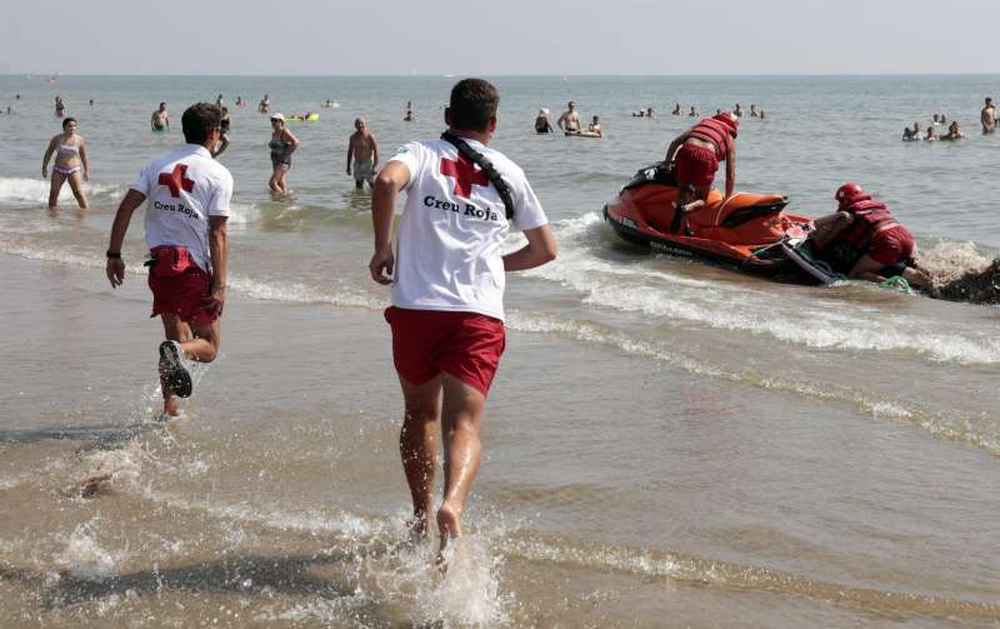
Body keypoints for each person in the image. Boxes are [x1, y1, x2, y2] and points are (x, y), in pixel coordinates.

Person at [368, 78, 557, 564]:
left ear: (447, 116)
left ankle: (419, 517)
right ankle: (453, 505)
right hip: (478, 313)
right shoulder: (510, 172)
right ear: (493, 123)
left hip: (416, 308)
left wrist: (383, 247)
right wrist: (496, 265)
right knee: (465, 424)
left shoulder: (423, 151)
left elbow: (386, 180)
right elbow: (545, 250)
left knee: (419, 414)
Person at [105, 102, 232, 419]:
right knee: (208, 347)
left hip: (160, 265)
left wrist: (114, 255)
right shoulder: (218, 174)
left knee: (172, 339)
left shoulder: (157, 164)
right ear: (215, 133)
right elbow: (218, 234)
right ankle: (179, 355)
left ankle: (169, 409)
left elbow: (125, 208)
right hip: (192, 268)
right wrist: (220, 284)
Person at [808, 182, 931, 288]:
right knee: (900, 265)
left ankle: (892, 285)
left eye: (840, 202)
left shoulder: (849, 214)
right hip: (906, 236)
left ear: (845, 200)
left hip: (887, 240)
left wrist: (814, 225)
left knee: (856, 274)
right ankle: (931, 282)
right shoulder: (875, 208)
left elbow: (843, 218)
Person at [663, 111, 739, 233]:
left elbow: (675, 142)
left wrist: (667, 164)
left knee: (683, 188)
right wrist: (727, 199)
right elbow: (730, 173)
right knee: (702, 199)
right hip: (706, 156)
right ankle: (685, 209)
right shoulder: (729, 136)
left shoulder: (703, 123)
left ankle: (685, 226)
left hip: (686, 150)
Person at [41, 117, 90, 211]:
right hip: (59, 169)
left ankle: (86, 213)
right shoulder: (57, 138)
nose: (72, 128)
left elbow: (84, 156)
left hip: (74, 169)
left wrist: (86, 171)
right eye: (70, 126)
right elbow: (48, 153)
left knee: (78, 193)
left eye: (74, 126)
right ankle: (52, 214)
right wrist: (44, 167)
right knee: (54, 193)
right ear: (64, 127)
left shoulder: (80, 140)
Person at [268, 113, 299, 194]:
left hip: (283, 161)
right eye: (272, 120)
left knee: (272, 183)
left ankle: (282, 198)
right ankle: (284, 203)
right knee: (280, 183)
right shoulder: (274, 133)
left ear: (281, 122)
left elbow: (296, 142)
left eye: (275, 120)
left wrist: (286, 155)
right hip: (275, 160)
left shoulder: (284, 131)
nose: (273, 122)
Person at [347, 117, 379, 190]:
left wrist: (375, 167)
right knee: (358, 186)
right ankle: (361, 200)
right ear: (355, 126)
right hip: (357, 163)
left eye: (362, 125)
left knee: (372, 185)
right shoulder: (352, 137)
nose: (360, 126)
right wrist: (348, 167)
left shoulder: (370, 136)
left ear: (365, 125)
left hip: (368, 162)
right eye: (358, 125)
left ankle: (375, 199)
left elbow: (376, 151)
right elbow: (350, 152)